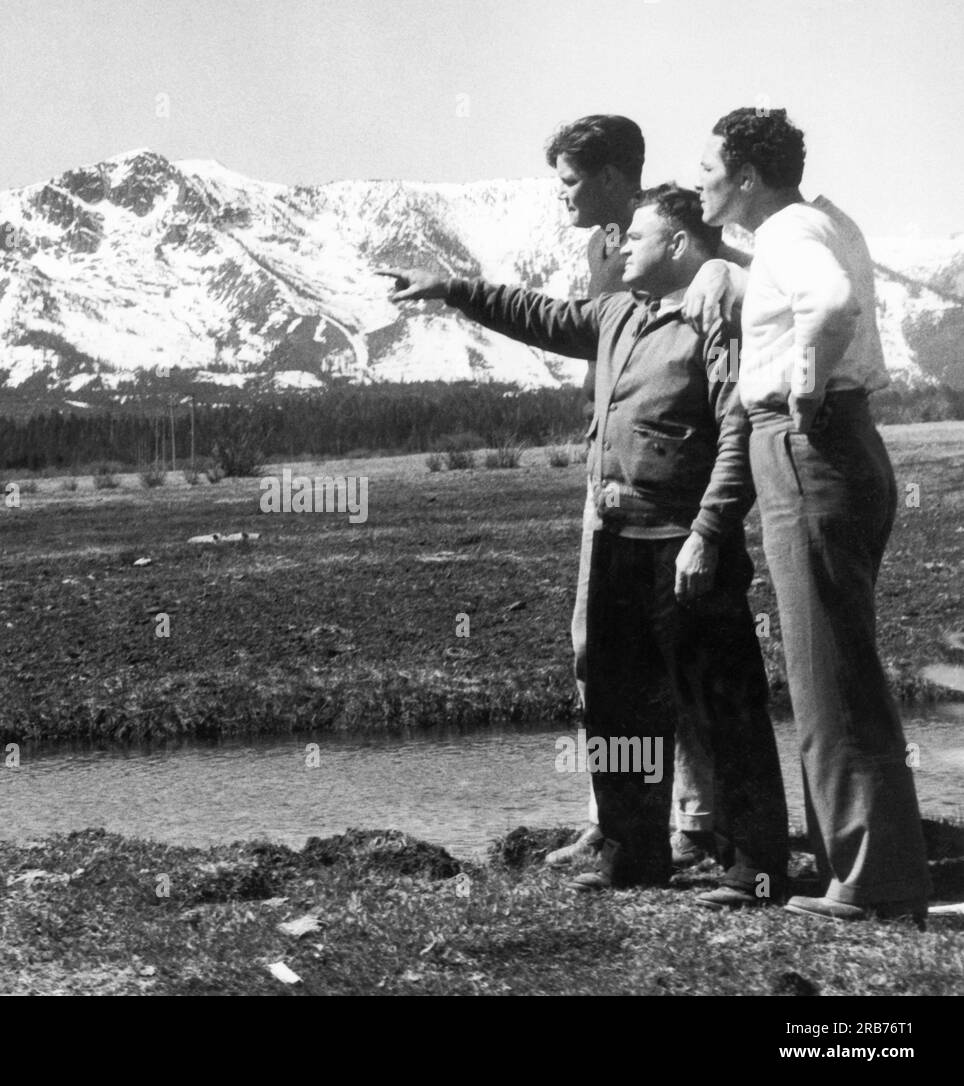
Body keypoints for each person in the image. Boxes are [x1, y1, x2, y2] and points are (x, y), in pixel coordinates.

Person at [380, 185, 790, 901]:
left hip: (685, 544)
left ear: (679, 245)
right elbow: (536, 314)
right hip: (615, 541)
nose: (620, 247)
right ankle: (633, 858)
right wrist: (450, 289)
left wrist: (709, 532)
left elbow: (739, 429)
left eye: (636, 237)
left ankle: (753, 867)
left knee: (720, 706)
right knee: (618, 706)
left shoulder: (715, 313)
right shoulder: (615, 313)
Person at [695, 108, 931, 925]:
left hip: (807, 445)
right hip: (843, 445)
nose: (702, 183)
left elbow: (830, 308)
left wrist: (801, 379)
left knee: (828, 670)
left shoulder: (792, 234)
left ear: (747, 177)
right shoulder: (820, 220)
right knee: (838, 660)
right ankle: (857, 866)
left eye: (710, 169)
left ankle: (873, 881)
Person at [540, 116, 719, 869]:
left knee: (681, 661)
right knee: (599, 654)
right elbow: (590, 331)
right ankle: (613, 817)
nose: (563, 197)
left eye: (572, 181)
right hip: (605, 480)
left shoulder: (673, 243)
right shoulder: (603, 250)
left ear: (614, 176)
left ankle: (698, 820)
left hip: (665, 494)